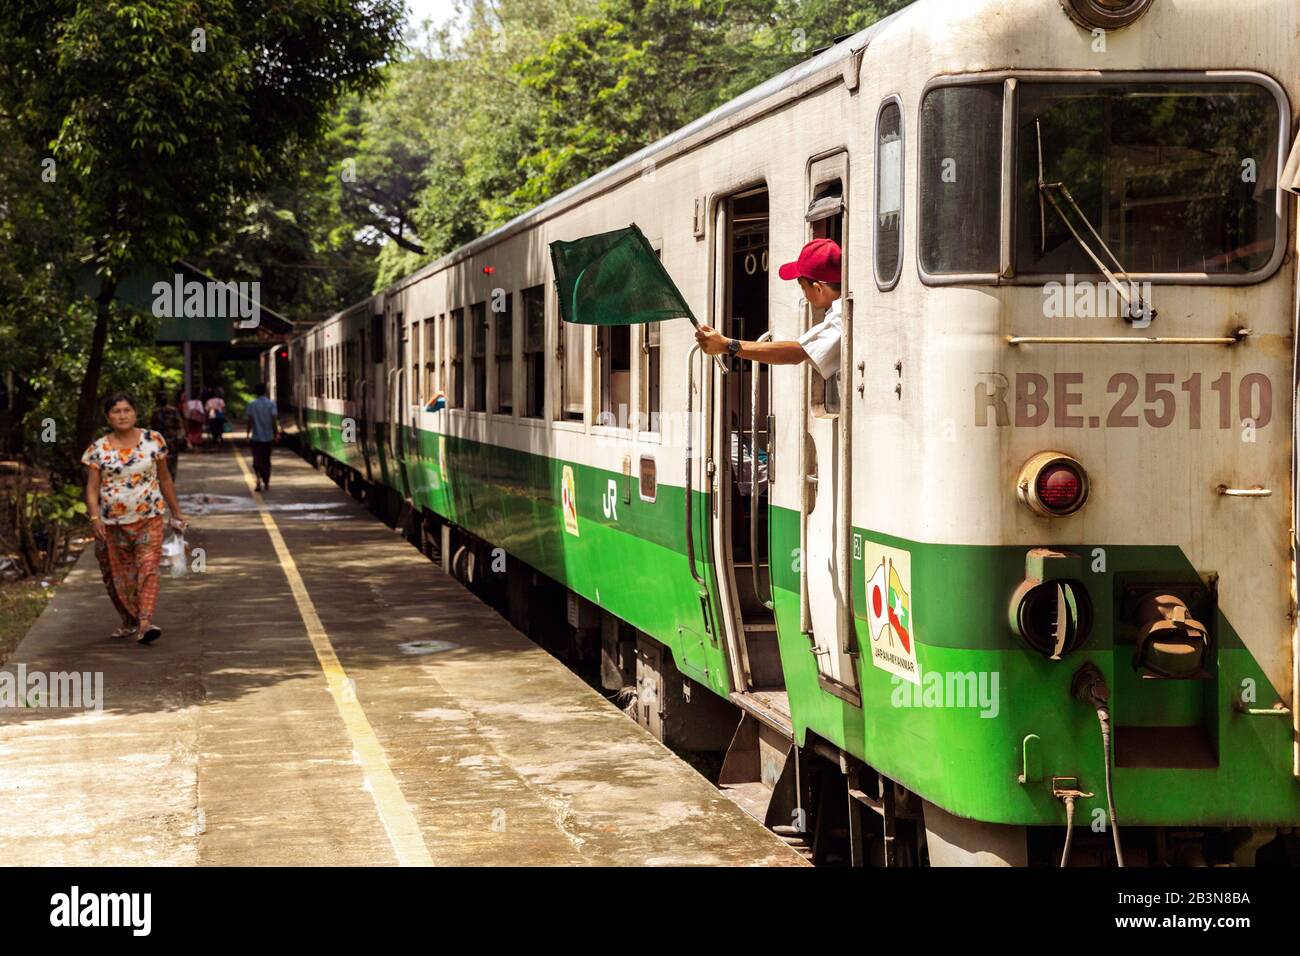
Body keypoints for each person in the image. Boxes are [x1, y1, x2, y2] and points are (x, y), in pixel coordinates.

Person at [83, 392, 188, 645]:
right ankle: (130, 619)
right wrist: (95, 517)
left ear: (135, 413)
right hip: (113, 524)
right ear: (108, 417)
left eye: (127, 410)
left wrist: (176, 512)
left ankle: (145, 623)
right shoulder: (98, 449)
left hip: (149, 518)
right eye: (116, 411)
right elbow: (92, 488)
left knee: (148, 569)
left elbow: (164, 478)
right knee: (121, 577)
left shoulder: (154, 440)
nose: (122, 415)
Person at [695, 237, 842, 380]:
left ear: (818, 289)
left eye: (803, 287)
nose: (805, 296)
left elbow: (796, 353)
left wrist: (727, 345)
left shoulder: (840, 313)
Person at [245, 382, 280, 491]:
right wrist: (276, 433)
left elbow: (250, 421)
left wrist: (247, 433)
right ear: (265, 391)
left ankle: (258, 479)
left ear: (255, 392)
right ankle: (266, 482)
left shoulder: (252, 404)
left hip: (256, 438)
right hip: (268, 438)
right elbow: (274, 420)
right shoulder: (271, 404)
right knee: (266, 460)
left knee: (256, 460)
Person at [150, 390, 186, 480]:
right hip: (160, 441)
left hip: (170, 440)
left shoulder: (170, 410)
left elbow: (179, 425)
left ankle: (169, 481)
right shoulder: (156, 411)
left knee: (170, 463)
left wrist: (181, 437)